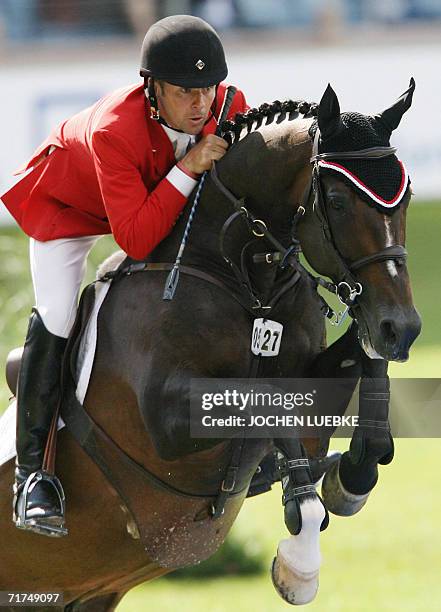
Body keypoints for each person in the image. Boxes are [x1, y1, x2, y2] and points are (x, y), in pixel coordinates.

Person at [1, 14, 248, 538]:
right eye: (185, 92)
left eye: (208, 88)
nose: (201, 105)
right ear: (152, 88)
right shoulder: (115, 130)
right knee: (60, 316)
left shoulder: (229, 105)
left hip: (145, 204)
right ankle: (32, 478)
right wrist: (189, 167)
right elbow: (134, 238)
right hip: (67, 209)